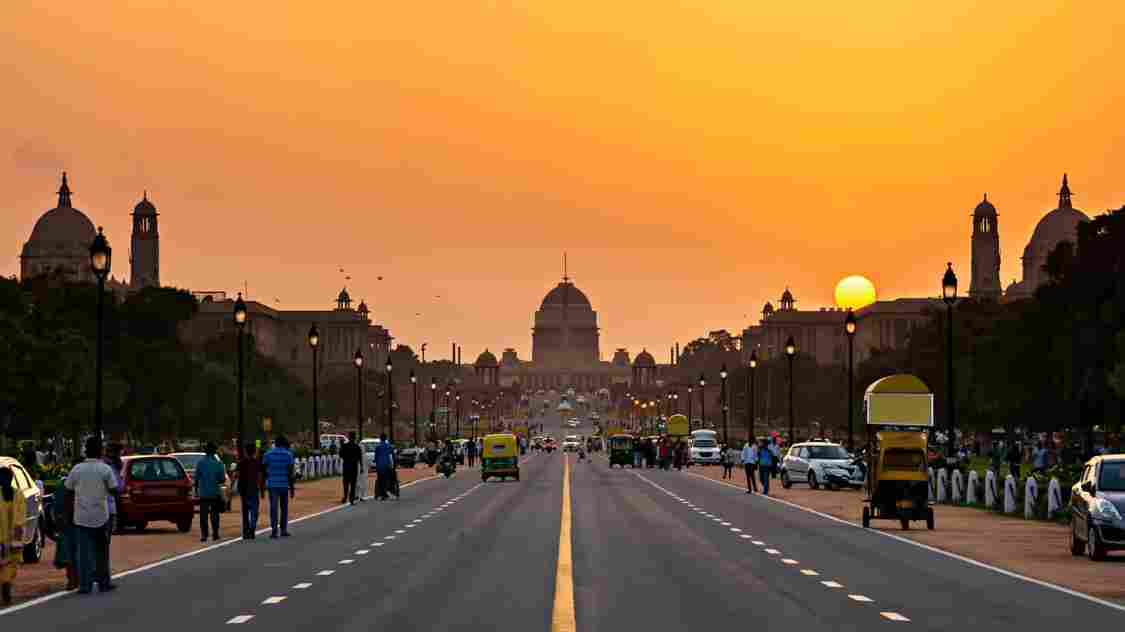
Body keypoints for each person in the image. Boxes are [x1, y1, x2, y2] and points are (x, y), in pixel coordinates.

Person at [64, 437, 118, 594]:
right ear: (100, 451)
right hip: (101, 515)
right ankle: (104, 582)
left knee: (83, 553)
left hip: (81, 516)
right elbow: (114, 490)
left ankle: (85, 585)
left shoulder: (77, 469)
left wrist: (69, 513)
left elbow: (68, 491)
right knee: (102, 552)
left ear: (86, 451)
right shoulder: (105, 469)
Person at [262, 437, 296, 538]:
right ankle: (284, 530)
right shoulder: (289, 455)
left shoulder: (268, 454)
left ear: (275, 444)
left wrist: (262, 487)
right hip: (284, 485)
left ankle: (274, 530)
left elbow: (263, 472)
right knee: (284, 508)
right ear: (284, 444)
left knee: (273, 508)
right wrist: (292, 488)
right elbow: (290, 474)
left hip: (272, 485)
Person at [49, 469, 78, 590]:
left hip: (74, 522)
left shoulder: (64, 484)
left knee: (70, 551)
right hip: (71, 522)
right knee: (71, 551)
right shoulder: (64, 485)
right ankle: (73, 578)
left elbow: (56, 508)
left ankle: (73, 579)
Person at [194, 443, 226, 542]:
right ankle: (215, 533)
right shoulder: (218, 464)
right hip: (214, 492)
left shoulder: (200, 463)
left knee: (203, 515)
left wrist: (197, 490)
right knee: (214, 514)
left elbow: (196, 478)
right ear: (214, 451)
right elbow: (222, 480)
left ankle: (204, 535)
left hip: (203, 493)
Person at [1, 466, 23, 605]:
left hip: (9, 537)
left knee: (7, 565)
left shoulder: (18, 494)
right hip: (7, 537)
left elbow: (20, 517)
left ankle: (5, 587)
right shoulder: (18, 494)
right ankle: (6, 587)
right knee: (8, 565)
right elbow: (20, 518)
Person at [236, 444, 262, 539]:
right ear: (254, 451)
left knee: (245, 511)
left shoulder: (241, 463)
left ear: (245, 451)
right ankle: (252, 528)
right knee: (254, 511)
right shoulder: (257, 462)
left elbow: (237, 476)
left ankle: (246, 531)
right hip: (253, 489)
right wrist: (261, 489)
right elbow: (259, 477)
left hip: (243, 489)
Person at [339, 433, 362, 505]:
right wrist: (361, 467)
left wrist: (341, 446)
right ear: (355, 438)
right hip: (354, 467)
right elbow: (359, 458)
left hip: (346, 466)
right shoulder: (357, 447)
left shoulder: (345, 446)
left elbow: (341, 455)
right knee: (353, 483)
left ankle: (345, 497)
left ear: (348, 438)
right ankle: (351, 499)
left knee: (345, 482)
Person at [374, 434, 397, 500]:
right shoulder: (389, 446)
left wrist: (376, 461)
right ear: (386, 438)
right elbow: (393, 456)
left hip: (379, 466)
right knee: (388, 479)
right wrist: (394, 465)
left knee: (380, 479)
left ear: (380, 439)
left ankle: (381, 494)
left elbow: (376, 457)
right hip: (387, 465)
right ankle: (388, 491)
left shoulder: (378, 447)